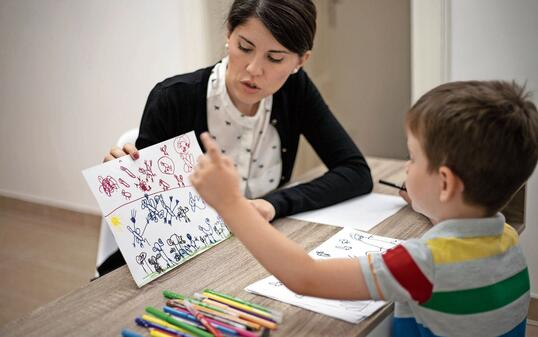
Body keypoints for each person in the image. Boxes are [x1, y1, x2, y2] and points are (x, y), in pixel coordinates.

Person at [191, 80, 538, 337]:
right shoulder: (507, 239)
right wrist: (432, 204)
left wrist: (230, 204)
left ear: (445, 184)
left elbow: (306, 277)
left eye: (413, 158)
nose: (406, 168)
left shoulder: (423, 263)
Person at [98, 0, 372, 275]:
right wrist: (127, 181)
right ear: (229, 34)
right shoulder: (173, 97)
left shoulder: (295, 90)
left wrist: (272, 205)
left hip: (250, 254)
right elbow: (148, 225)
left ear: (300, 61)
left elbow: (355, 171)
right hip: (182, 262)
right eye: (244, 47)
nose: (254, 69)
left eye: (275, 58)